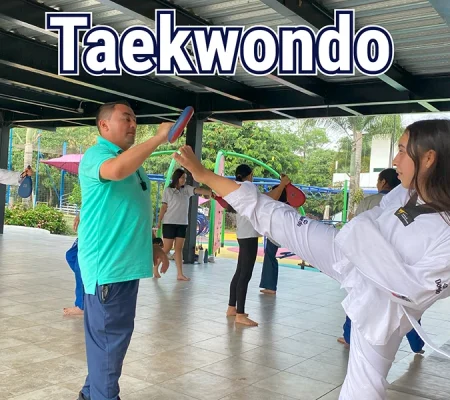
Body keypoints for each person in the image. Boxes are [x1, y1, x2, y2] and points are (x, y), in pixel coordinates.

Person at [172, 119, 450, 400]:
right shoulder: (406, 193)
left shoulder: (446, 232)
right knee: (281, 219)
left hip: (383, 309)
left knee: (363, 389)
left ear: (428, 158)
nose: (395, 158)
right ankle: (204, 172)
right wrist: (203, 173)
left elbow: (413, 290)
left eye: (402, 150)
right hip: (347, 255)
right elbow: (364, 226)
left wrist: (363, 238)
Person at [76, 100, 170, 400]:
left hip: (126, 266)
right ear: (104, 125)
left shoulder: (132, 162)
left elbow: (135, 207)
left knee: (110, 345)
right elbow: (114, 172)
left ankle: (91, 394)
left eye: (134, 119)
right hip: (109, 268)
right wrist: (157, 139)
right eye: (125, 118)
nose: (133, 124)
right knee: (109, 344)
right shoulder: (98, 156)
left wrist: (154, 244)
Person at [338, 168, 425, 354]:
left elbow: (356, 225)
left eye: (378, 181)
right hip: (401, 264)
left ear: (384, 182)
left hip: (369, 262)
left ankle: (349, 336)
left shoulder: (371, 201)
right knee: (408, 305)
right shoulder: (408, 201)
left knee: (358, 298)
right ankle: (417, 344)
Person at [225, 164, 290, 327]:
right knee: (245, 275)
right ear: (250, 175)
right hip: (249, 236)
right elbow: (269, 198)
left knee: (240, 272)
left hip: (243, 234)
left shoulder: (239, 188)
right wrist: (282, 185)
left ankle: (232, 308)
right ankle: (240, 314)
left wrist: (281, 186)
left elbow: (264, 197)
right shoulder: (248, 186)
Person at [156, 168, 212, 281]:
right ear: (176, 178)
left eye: (185, 178)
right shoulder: (168, 190)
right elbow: (164, 207)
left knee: (178, 249)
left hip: (182, 223)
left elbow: (198, 190)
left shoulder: (186, 189)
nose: (184, 180)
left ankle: (180, 274)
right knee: (167, 248)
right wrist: (159, 221)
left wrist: (210, 193)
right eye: (182, 178)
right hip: (169, 222)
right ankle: (155, 267)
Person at [259, 184, 289, 295]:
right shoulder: (283, 205)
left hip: (274, 235)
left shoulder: (278, 206)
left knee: (270, 257)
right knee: (270, 257)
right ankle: (270, 286)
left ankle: (271, 286)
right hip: (274, 234)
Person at [63, 214, 84, 316]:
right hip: (85, 232)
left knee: (80, 267)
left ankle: (81, 306)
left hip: (93, 232)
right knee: (71, 256)